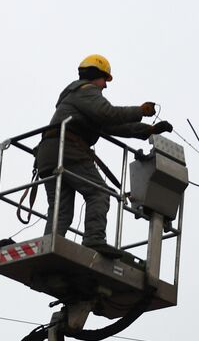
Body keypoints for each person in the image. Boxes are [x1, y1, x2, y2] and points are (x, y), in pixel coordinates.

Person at [33, 54, 173, 252]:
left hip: (49, 152)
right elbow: (109, 114)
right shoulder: (86, 91)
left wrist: (147, 130)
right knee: (99, 193)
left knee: (61, 210)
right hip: (67, 149)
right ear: (95, 75)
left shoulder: (80, 100)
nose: (105, 86)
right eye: (105, 80)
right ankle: (93, 239)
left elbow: (112, 125)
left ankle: (49, 245)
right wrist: (140, 110)